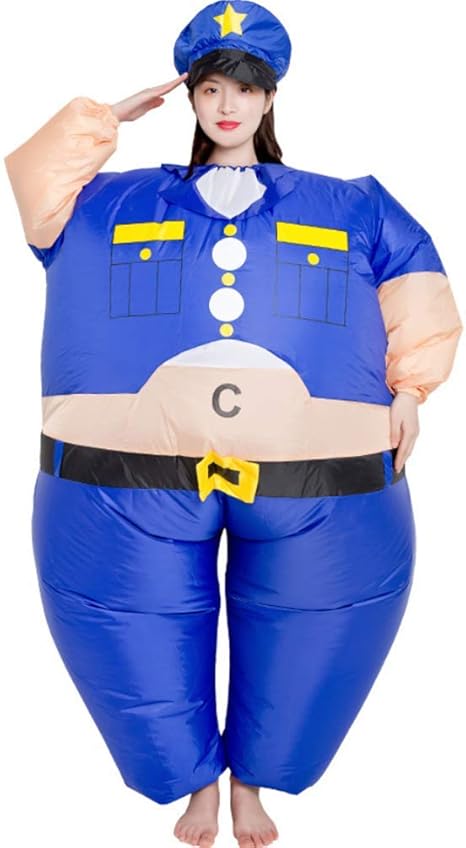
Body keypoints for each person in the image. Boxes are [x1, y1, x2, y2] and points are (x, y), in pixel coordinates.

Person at [3, 2, 463, 847]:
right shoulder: (107, 200)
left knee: (313, 626)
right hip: (123, 479)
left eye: (244, 90)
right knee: (130, 623)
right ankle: (195, 790)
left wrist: (411, 390)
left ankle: (251, 784)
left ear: (270, 97)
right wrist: (109, 117)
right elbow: (33, 184)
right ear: (190, 96)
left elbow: (418, 278)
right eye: (211, 88)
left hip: (318, 479)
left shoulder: (350, 205)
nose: (227, 106)